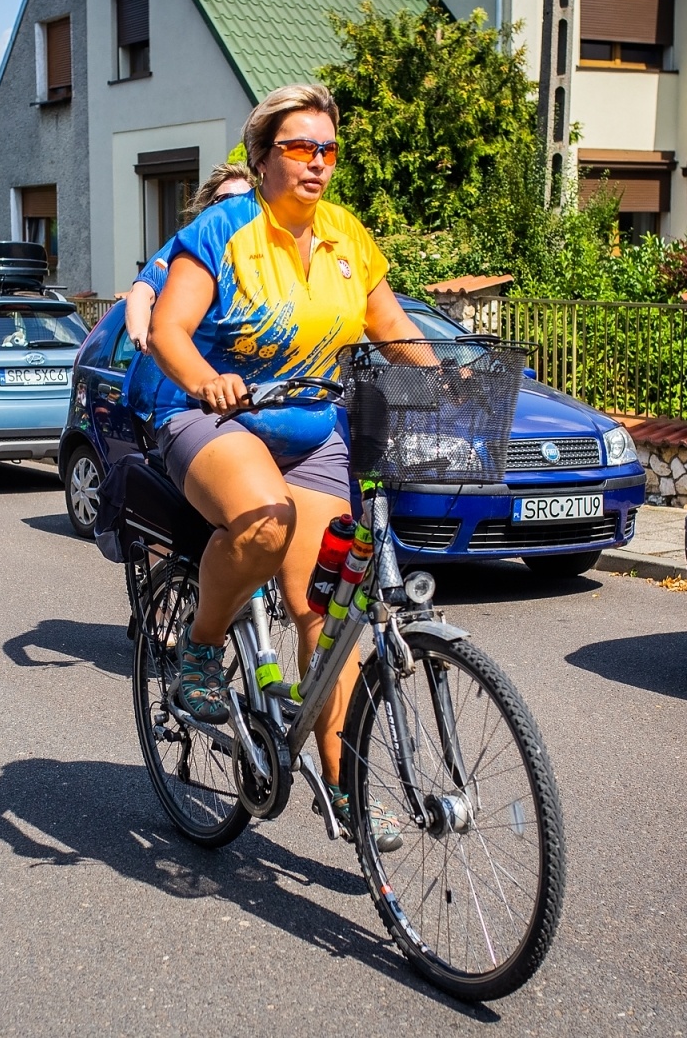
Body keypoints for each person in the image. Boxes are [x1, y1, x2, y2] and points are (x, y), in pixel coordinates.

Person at [145, 84, 428, 838]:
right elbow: (171, 327)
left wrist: (441, 378)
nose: (318, 163)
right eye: (301, 148)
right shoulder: (224, 230)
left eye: (328, 149)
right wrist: (202, 377)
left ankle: (342, 782)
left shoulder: (345, 236)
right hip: (213, 416)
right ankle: (200, 651)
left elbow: (391, 324)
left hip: (307, 430)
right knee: (265, 524)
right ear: (262, 157)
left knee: (327, 611)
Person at [123, 163, 254, 426]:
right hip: (185, 399)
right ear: (209, 206)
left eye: (244, 200)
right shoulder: (188, 246)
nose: (233, 208)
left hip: (244, 397)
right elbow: (143, 291)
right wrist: (142, 335)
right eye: (225, 200)